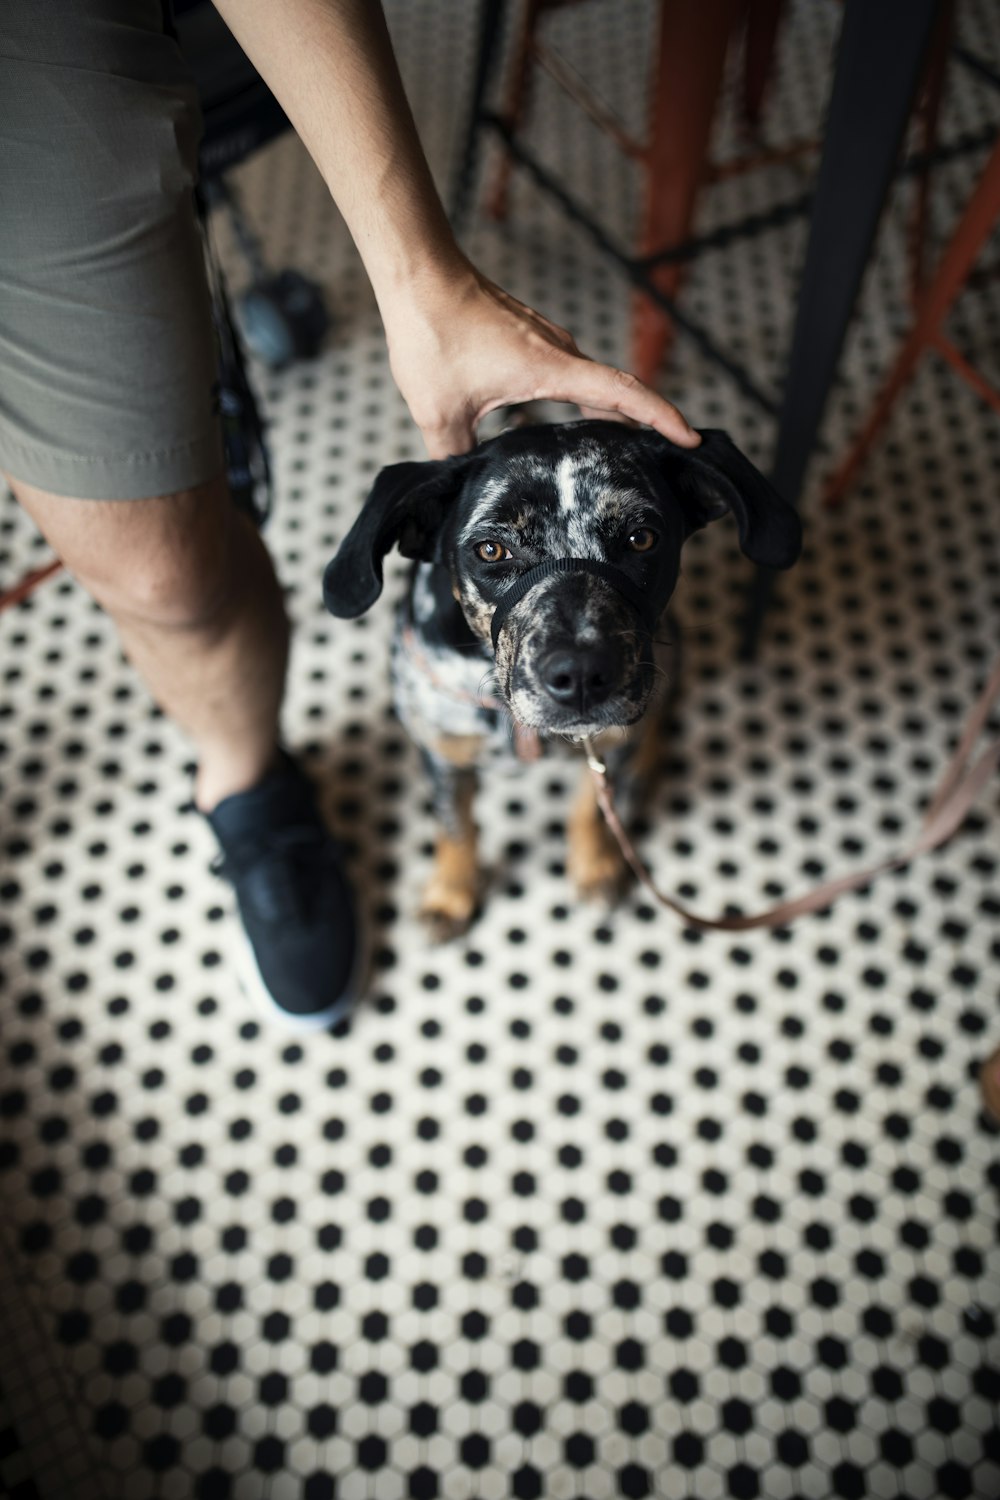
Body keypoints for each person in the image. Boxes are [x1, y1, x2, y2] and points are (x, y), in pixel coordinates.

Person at [0, 0, 699, 1030]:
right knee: (158, 570)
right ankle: (428, 842)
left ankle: (593, 830)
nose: (575, 649)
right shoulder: (426, 644)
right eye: (496, 552)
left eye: (634, 538)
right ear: (424, 544)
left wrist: (425, 277)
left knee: (627, 710)